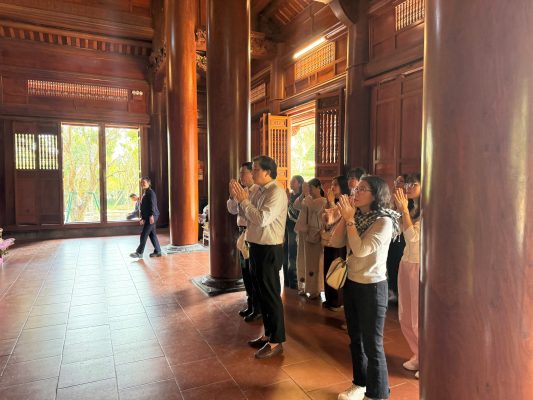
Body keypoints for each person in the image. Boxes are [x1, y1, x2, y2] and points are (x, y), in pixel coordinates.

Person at [331, 175, 400, 400]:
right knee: (356, 338)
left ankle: (377, 393)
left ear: (376, 195)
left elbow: (360, 250)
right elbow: (335, 242)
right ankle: (359, 384)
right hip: (352, 283)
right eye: (356, 189)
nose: (356, 193)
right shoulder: (356, 216)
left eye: (362, 189)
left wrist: (350, 220)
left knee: (372, 344)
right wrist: (345, 218)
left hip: (372, 287)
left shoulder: (384, 221)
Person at [229, 155, 287, 359]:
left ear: (267, 172)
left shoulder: (276, 192)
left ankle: (276, 341)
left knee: (271, 295)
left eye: (255, 170)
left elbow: (261, 219)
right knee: (262, 293)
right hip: (256, 246)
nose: (252, 173)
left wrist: (244, 201)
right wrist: (239, 199)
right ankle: (268, 334)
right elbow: (247, 216)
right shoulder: (259, 191)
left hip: (269, 248)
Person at [394, 173, 421, 380]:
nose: (409, 187)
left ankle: (429, 358)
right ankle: (418, 354)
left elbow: (413, 238)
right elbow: (400, 233)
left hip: (419, 264)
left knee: (418, 316)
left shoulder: (431, 210)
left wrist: (403, 210)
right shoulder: (412, 208)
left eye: (414, 184)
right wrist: (402, 210)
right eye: (408, 183)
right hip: (406, 262)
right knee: (405, 314)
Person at [227, 162, 262, 322]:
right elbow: (232, 209)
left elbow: (256, 216)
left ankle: (258, 308)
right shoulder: (243, 191)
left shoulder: (258, 192)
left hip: (252, 234)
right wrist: (232, 195)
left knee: (253, 272)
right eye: (240, 173)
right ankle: (250, 304)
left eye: (243, 173)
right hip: (242, 234)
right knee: (245, 271)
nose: (240, 176)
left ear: (252, 173)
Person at [321, 176, 350, 311]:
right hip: (329, 240)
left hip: (339, 242)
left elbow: (330, 219)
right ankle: (329, 298)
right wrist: (330, 202)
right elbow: (324, 219)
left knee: (336, 270)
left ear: (343, 186)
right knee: (328, 269)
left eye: (335, 185)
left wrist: (331, 202)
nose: (332, 188)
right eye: (332, 184)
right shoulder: (334, 201)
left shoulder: (345, 201)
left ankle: (337, 301)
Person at [294, 178, 326, 298]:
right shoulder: (307, 198)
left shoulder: (323, 200)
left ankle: (314, 289)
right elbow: (296, 205)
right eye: (309, 188)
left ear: (318, 188)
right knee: (302, 260)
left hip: (314, 234)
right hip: (304, 232)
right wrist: (303, 193)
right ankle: (303, 286)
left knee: (313, 262)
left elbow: (312, 207)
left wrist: (306, 195)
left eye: (311, 188)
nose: (310, 191)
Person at [385, 175, 409, 302]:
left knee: (397, 264)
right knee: (390, 263)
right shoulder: (391, 199)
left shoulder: (408, 201)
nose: (398, 184)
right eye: (396, 181)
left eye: (401, 181)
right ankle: (392, 290)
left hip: (402, 236)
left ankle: (398, 292)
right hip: (390, 236)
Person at [130, 177, 162, 258]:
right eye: (141, 183)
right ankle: (158, 251)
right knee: (152, 234)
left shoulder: (151, 193)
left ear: (148, 183)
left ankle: (139, 253)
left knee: (144, 234)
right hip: (149, 216)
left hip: (152, 216)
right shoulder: (145, 193)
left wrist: (151, 215)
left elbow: (152, 205)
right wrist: (143, 218)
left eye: (143, 182)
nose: (142, 184)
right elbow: (144, 207)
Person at [283, 175, 304, 288]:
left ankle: (294, 280)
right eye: (290, 181)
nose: (290, 183)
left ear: (300, 183)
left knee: (293, 253)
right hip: (286, 227)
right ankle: (286, 280)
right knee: (285, 252)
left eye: (293, 181)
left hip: (295, 228)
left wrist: (288, 202)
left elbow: (296, 214)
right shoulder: (289, 195)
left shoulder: (302, 197)